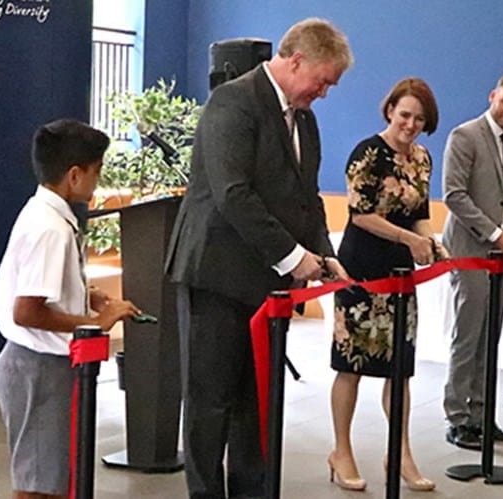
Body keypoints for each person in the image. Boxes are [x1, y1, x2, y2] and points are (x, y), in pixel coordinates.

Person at [165, 18, 353, 498]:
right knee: (209, 404)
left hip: (265, 285)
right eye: (323, 81)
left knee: (258, 400)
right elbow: (234, 195)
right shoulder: (232, 101)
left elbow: (306, 197)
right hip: (215, 277)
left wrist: (325, 256)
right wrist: (293, 259)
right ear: (296, 61)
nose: (324, 93)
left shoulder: (304, 119)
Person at [0, 119, 141, 499]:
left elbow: (38, 288)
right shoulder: (51, 229)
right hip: (38, 368)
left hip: (38, 366)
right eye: (97, 171)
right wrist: (95, 322)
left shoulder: (46, 213)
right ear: (75, 175)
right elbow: (27, 312)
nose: (98, 181)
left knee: (50, 479)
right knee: (40, 487)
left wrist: (81, 292)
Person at [327, 77, 444, 492]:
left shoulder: (423, 158)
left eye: (419, 118)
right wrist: (409, 239)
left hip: (400, 276)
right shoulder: (368, 153)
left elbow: (421, 212)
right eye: (405, 114)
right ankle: (341, 451)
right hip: (361, 270)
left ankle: (401, 453)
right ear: (390, 109)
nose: (410, 124)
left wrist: (430, 239)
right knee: (351, 366)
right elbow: (360, 215)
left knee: (400, 371)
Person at [441, 74, 503, 450]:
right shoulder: (464, 136)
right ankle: (457, 418)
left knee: (490, 336)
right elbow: (454, 195)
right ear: (493, 95)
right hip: (469, 249)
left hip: (502, 252)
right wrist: (496, 234)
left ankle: (482, 416)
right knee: (468, 335)